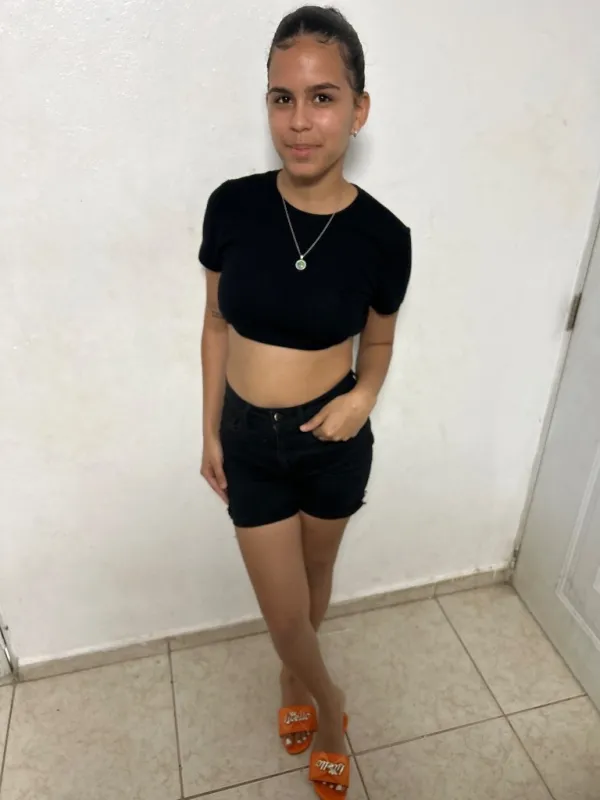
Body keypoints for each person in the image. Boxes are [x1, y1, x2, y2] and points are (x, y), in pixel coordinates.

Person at [199, 5, 411, 797]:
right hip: (247, 439)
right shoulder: (232, 205)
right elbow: (215, 324)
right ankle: (329, 703)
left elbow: (377, 345)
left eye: (323, 98)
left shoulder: (385, 237)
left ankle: (294, 679)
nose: (299, 120)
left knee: (316, 579)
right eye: (282, 97)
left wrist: (364, 397)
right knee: (283, 609)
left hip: (332, 439)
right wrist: (211, 429)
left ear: (359, 109)